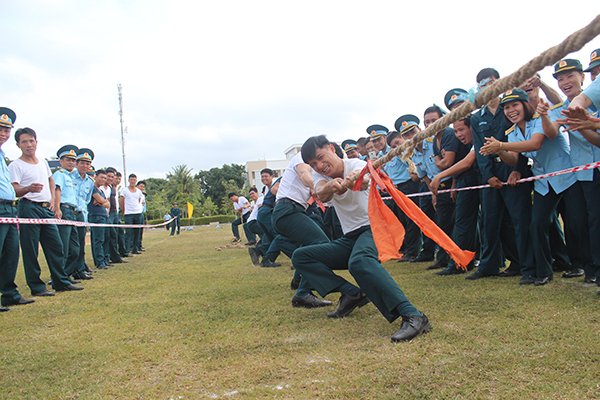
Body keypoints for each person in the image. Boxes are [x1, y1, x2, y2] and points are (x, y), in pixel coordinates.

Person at [293, 135, 431, 342]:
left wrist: (354, 180)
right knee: (302, 256)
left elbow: (365, 179)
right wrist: (332, 187)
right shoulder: (319, 174)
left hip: (373, 228)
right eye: (313, 163)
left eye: (321, 157)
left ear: (331, 148)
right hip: (351, 237)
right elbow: (321, 193)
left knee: (359, 262)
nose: (320, 165)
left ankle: (414, 315)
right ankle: (352, 294)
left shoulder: (355, 164)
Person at [481, 88, 591, 286]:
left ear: (525, 105)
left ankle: (586, 267)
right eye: (506, 107)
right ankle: (543, 272)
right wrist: (497, 150)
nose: (511, 110)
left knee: (577, 223)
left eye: (515, 105)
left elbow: (535, 144)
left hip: (567, 176)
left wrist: (501, 146)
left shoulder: (540, 120)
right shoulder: (511, 132)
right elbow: (513, 161)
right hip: (543, 182)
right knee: (537, 224)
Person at [467, 68, 534, 281]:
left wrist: (517, 169)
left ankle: (524, 265)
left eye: (492, 82)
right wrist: (487, 176)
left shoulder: (511, 108)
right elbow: (479, 149)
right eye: (483, 84)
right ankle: (488, 265)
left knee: (518, 219)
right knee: (490, 219)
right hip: (490, 172)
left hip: (513, 166)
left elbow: (521, 140)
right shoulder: (477, 118)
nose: (488, 87)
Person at [9, 127, 83, 295]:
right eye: (24, 142)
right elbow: (14, 190)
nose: (29, 145)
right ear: (18, 145)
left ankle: (61, 281)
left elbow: (50, 179)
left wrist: (51, 199)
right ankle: (37, 286)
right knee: (31, 249)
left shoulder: (42, 162)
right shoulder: (15, 165)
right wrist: (28, 188)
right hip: (28, 208)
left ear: (36, 142)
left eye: (31, 141)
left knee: (56, 246)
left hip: (46, 209)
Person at [544, 59, 599, 283]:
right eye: (560, 78)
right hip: (582, 173)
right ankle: (591, 269)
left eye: (570, 76)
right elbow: (550, 133)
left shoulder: (594, 100)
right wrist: (545, 115)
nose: (565, 82)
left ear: (583, 77)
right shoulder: (559, 110)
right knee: (583, 222)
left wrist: (583, 126)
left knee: (594, 220)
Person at [271, 151, 332, 307]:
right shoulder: (303, 157)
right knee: (321, 243)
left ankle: (298, 280)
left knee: (308, 244)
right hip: (288, 209)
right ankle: (303, 293)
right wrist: (318, 186)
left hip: (292, 210)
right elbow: (304, 175)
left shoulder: (316, 169)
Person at [0, 107, 33, 310]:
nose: (3, 133)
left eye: (6, 130)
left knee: (10, 254)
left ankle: (9, 294)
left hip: (10, 209)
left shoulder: (2, 156)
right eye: (0, 129)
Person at [52, 145, 85, 282]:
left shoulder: (70, 176)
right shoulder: (59, 174)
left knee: (74, 248)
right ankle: (59, 277)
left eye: (73, 160)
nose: (71, 163)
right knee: (63, 247)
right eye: (68, 160)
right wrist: (57, 208)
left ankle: (66, 274)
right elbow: (57, 190)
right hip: (64, 210)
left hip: (72, 212)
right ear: (61, 161)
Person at [72, 148, 95, 278]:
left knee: (81, 244)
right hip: (68, 213)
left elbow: (87, 200)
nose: (85, 166)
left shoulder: (90, 182)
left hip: (81, 214)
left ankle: (80, 270)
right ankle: (63, 273)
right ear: (76, 163)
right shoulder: (69, 176)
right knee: (67, 246)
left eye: (88, 163)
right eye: (82, 163)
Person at [88, 169, 111, 269]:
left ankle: (105, 260)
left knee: (105, 239)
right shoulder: (93, 188)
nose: (103, 179)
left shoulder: (101, 190)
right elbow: (101, 200)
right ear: (96, 177)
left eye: (105, 178)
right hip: (96, 216)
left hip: (104, 216)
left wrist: (103, 202)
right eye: (101, 177)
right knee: (98, 240)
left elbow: (107, 204)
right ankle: (99, 262)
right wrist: (103, 202)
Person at [120, 173, 144, 255]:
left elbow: (140, 200)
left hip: (137, 213)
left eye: (134, 180)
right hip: (128, 213)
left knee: (137, 232)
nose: (133, 181)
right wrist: (124, 210)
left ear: (136, 181)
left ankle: (135, 248)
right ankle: (127, 249)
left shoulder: (139, 191)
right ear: (129, 180)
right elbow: (121, 201)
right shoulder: (124, 190)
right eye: (131, 180)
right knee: (128, 232)